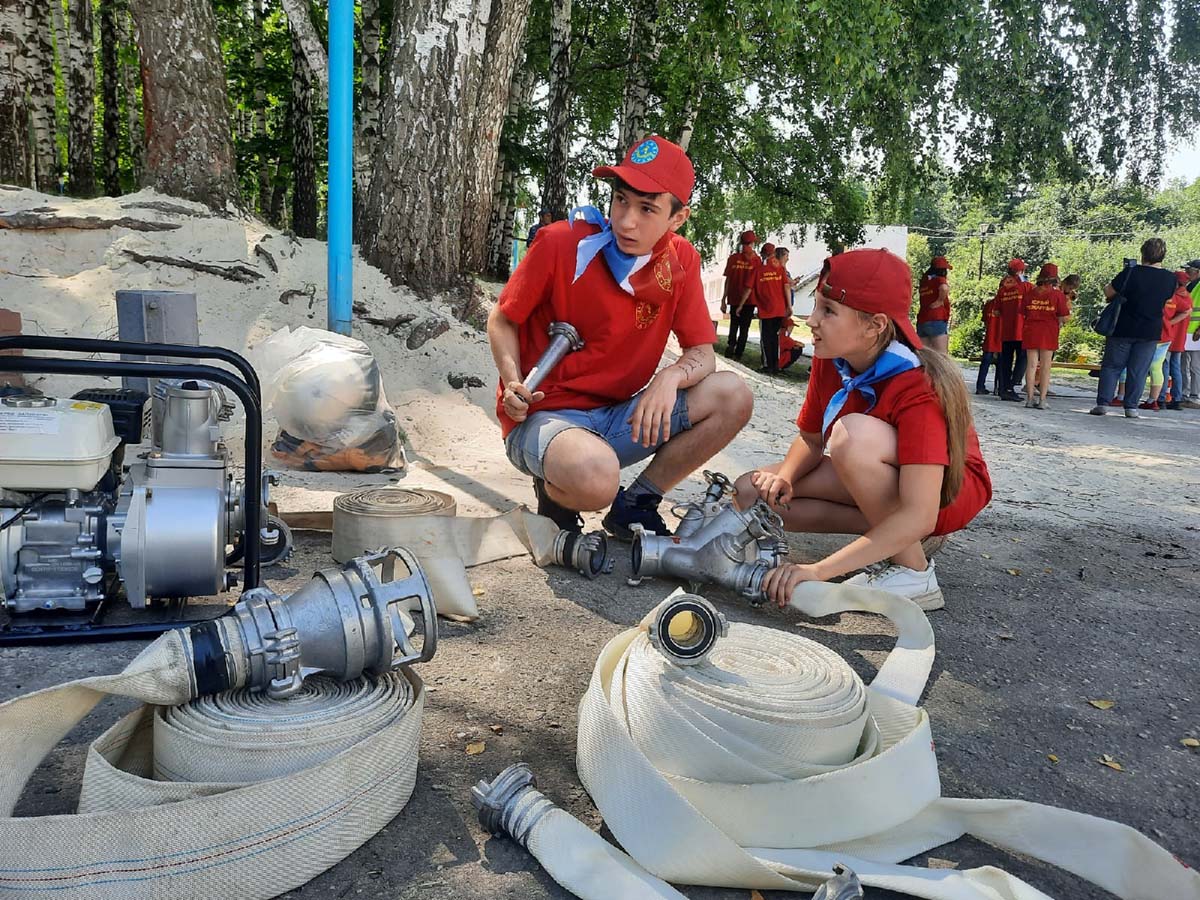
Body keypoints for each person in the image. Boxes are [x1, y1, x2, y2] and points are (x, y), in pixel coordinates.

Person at [487, 136, 753, 541]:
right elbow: (501, 320)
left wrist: (669, 378)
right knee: (596, 479)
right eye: (621, 200)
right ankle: (556, 488)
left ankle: (638, 502)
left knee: (733, 395)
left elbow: (702, 352)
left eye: (648, 208)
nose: (627, 221)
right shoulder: (561, 243)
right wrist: (512, 382)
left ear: (677, 218)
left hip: (619, 417)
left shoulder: (682, 260)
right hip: (544, 417)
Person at [735, 248, 993, 610]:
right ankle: (899, 537)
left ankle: (916, 573)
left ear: (876, 326)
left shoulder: (919, 384)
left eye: (828, 311)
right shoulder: (833, 358)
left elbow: (920, 510)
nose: (812, 321)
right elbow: (811, 439)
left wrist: (818, 571)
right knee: (750, 494)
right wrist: (786, 477)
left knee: (851, 436)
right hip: (883, 479)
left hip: (944, 493)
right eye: (816, 305)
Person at [1090, 238, 1178, 418]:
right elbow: (1166, 299)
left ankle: (1103, 403)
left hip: (1123, 327)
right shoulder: (1171, 279)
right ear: (1163, 255)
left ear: (1143, 253)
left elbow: (1109, 292)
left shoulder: (1131, 272)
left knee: (1112, 366)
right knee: (1139, 370)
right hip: (1150, 330)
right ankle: (1131, 407)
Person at [1020, 263, 1070, 409]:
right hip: (1048, 331)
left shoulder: (1029, 294)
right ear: (1055, 278)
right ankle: (1042, 400)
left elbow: (1023, 311)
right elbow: (1065, 316)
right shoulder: (1057, 295)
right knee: (1045, 367)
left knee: (1031, 365)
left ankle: (1029, 399)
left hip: (1030, 330)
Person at [993, 259, 1031, 401]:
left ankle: (1004, 389)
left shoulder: (1003, 289)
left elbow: (996, 312)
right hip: (1022, 330)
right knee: (1024, 358)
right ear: (1021, 271)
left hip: (1006, 330)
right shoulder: (1026, 286)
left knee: (1005, 361)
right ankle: (1013, 384)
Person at [721, 230, 760, 361]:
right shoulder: (756, 260)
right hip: (750, 299)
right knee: (744, 327)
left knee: (734, 324)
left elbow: (728, 280)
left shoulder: (733, 258)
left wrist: (723, 298)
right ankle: (739, 353)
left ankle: (730, 346)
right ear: (753, 243)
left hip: (734, 297)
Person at [753, 245, 793, 374]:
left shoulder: (760, 270)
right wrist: (788, 306)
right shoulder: (780, 269)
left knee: (767, 337)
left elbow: (752, 288)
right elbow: (786, 287)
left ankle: (769, 365)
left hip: (766, 309)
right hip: (779, 308)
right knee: (774, 337)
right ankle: (775, 365)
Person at [1162, 270, 1193, 410]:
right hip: (1180, 338)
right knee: (1176, 368)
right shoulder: (1188, 297)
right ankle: (1177, 398)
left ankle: (1161, 397)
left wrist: (1170, 322)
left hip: (1169, 336)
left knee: (1164, 367)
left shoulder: (1174, 297)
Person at [916, 255, 952, 354]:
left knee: (925, 355)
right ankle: (941, 370)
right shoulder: (940, 279)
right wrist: (940, 301)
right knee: (942, 356)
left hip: (923, 319)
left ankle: (926, 370)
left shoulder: (924, 280)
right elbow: (944, 288)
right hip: (937, 318)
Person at [975, 294, 1003, 395]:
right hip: (1001, 340)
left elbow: (985, 321)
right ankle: (999, 388)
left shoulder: (989, 304)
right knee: (1002, 366)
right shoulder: (1007, 305)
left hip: (989, 339)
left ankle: (980, 386)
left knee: (985, 364)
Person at [1182, 259, 1200, 408]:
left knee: (1194, 366)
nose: (1186, 273)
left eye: (1189, 271)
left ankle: (1194, 396)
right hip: (1186, 331)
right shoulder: (1191, 285)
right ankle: (1185, 394)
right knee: (1184, 365)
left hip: (1195, 332)